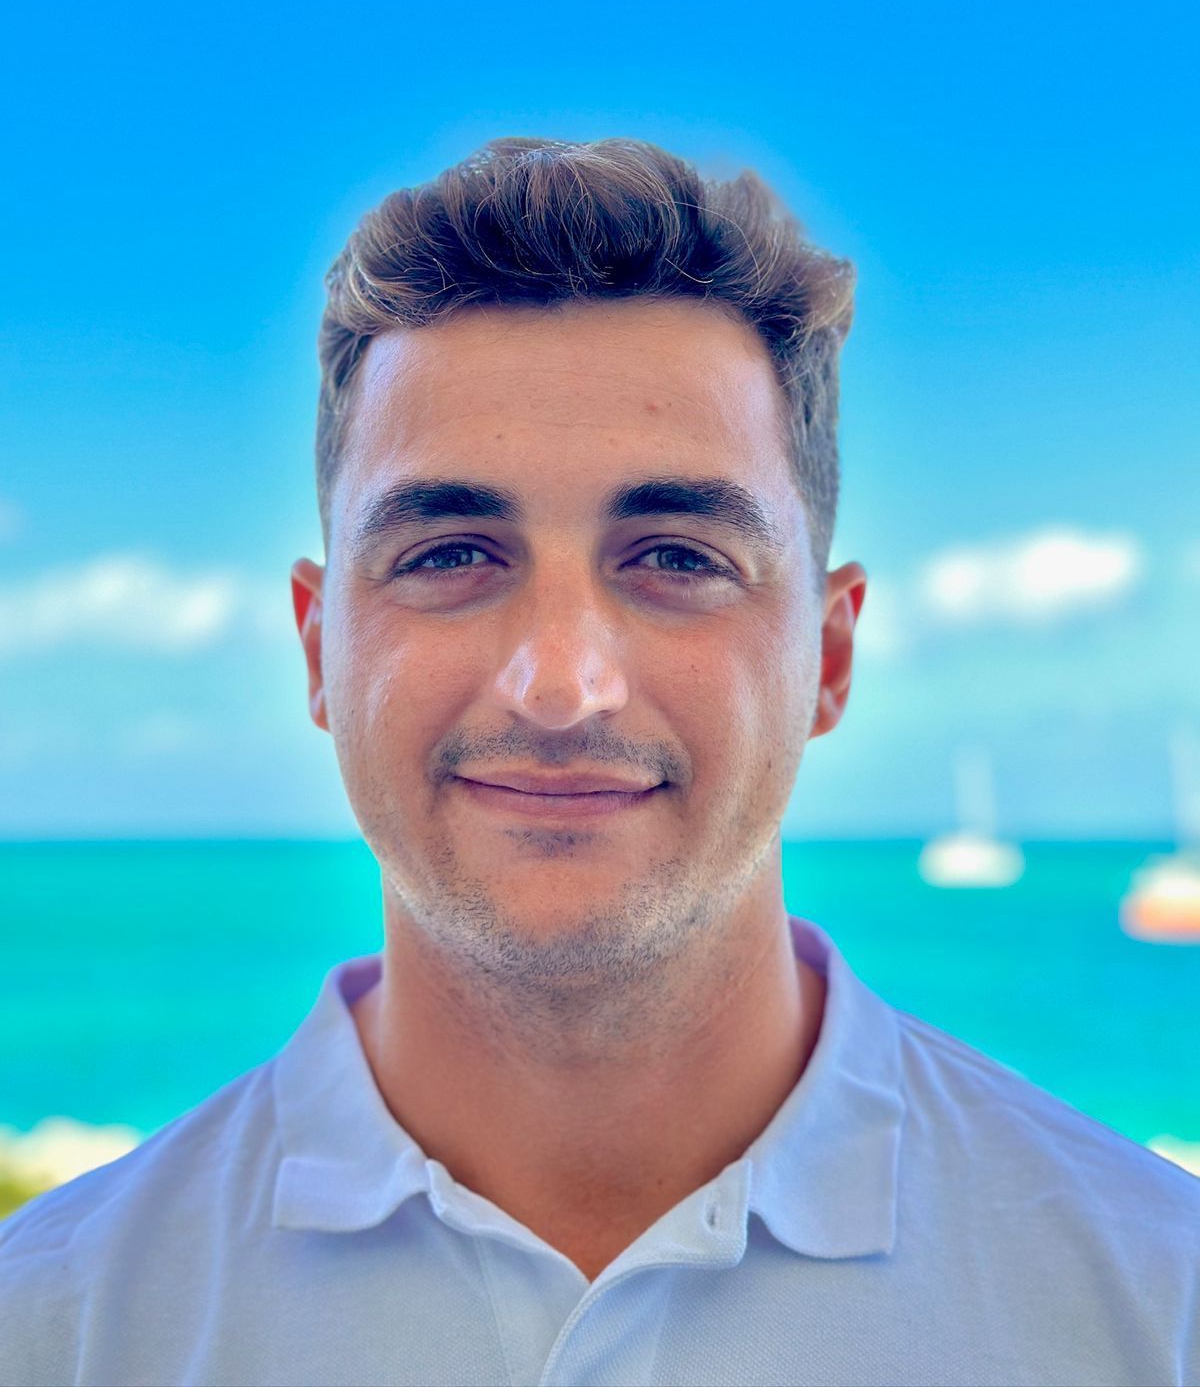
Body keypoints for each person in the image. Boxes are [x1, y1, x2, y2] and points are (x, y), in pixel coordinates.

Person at [1, 138, 1197, 1387]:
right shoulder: (56, 1327)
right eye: (450, 553)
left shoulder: (1152, 1308)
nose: (562, 684)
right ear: (318, 648)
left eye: (677, 557)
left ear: (831, 657)